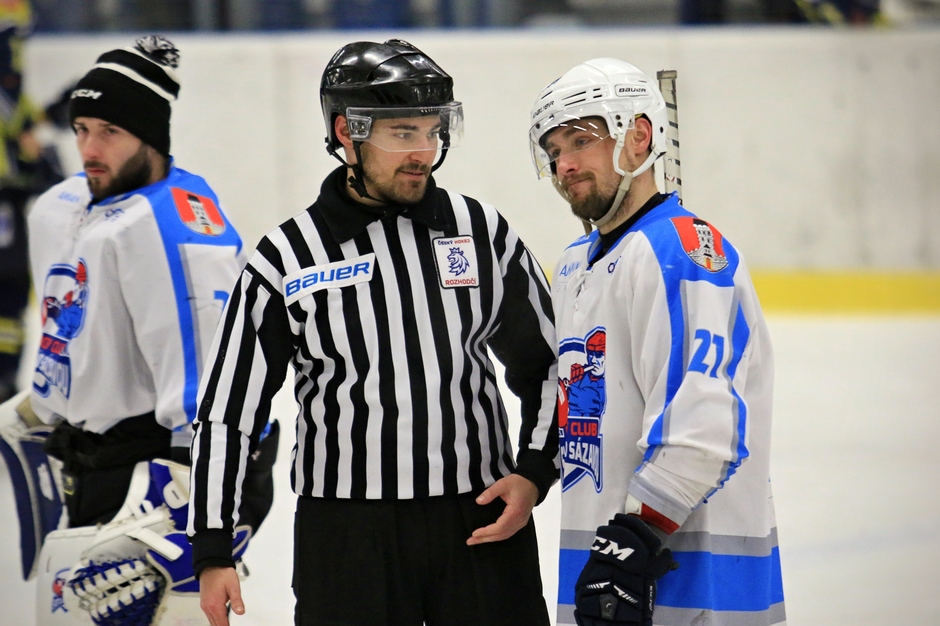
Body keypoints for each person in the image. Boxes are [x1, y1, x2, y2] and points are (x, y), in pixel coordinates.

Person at [188, 38, 559, 626]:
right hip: (346, 539)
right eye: (402, 133)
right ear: (346, 132)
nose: (423, 153)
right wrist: (212, 546)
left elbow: (551, 363)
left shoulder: (480, 232)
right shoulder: (287, 257)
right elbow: (229, 408)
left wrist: (535, 471)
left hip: (479, 520)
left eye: (432, 131)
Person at [11, 35, 278, 624]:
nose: (89, 148)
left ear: (151, 136)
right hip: (77, 471)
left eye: (110, 131)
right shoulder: (63, 206)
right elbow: (76, 337)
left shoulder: (175, 227)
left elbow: (221, 391)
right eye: (81, 129)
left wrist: (206, 522)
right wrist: (34, 409)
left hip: (148, 490)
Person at [529, 58, 785, 625]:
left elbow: (704, 431)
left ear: (639, 135)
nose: (564, 164)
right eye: (554, 150)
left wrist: (631, 542)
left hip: (689, 582)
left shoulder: (680, 252)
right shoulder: (574, 265)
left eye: (580, 141)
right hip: (604, 577)